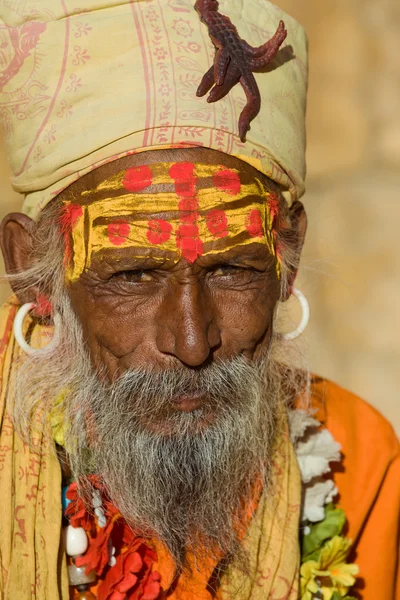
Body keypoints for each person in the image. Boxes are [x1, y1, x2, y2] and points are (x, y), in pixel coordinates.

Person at [0, 1, 398, 599]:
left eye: (233, 269)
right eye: (132, 276)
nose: (191, 342)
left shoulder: (355, 458)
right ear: (32, 271)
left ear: (286, 257)